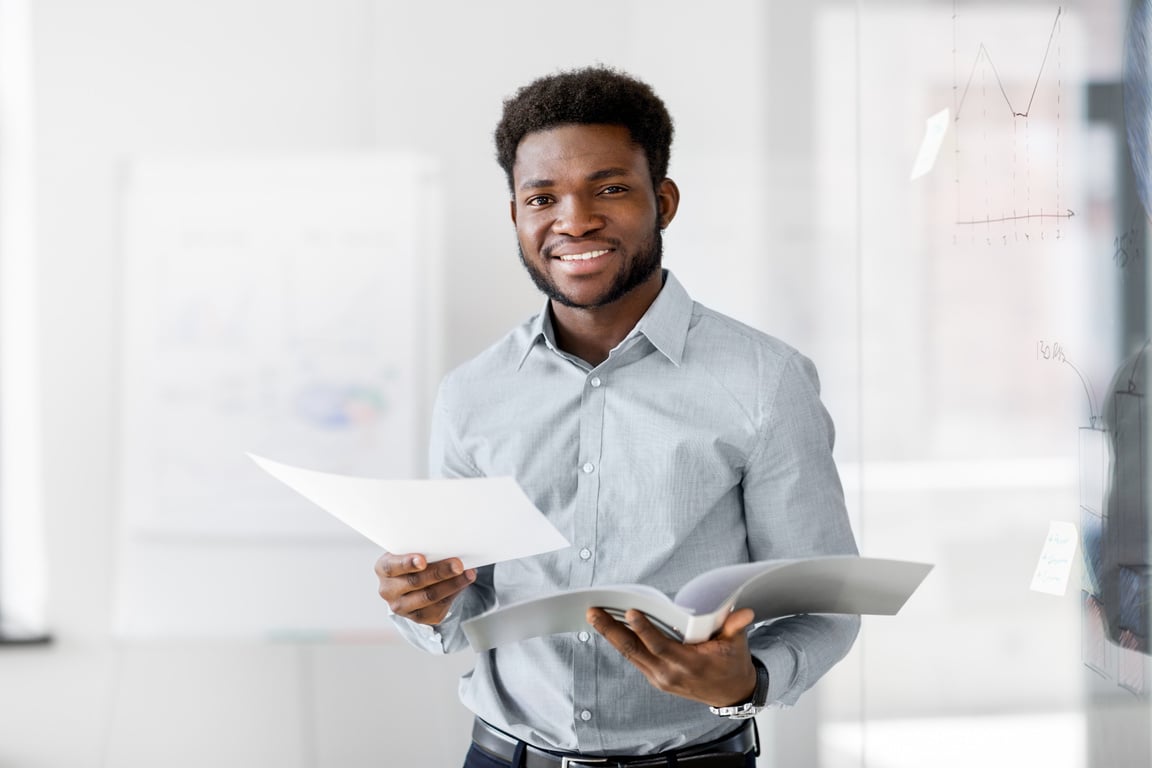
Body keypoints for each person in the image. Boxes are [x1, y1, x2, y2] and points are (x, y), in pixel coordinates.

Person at [375, 65, 859, 768]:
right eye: (542, 197)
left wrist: (749, 681)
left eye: (609, 189)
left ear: (662, 200)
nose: (574, 220)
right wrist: (424, 605)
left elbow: (826, 602)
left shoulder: (765, 380)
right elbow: (465, 619)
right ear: (515, 214)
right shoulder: (471, 394)